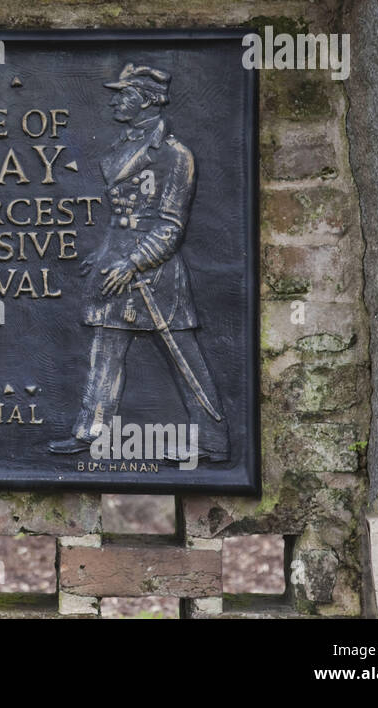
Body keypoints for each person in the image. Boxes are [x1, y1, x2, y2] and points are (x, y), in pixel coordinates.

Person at [48, 63, 229, 460]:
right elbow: (123, 215)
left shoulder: (174, 155)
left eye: (123, 94)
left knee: (183, 356)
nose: (114, 100)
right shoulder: (121, 148)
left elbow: (169, 224)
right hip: (116, 264)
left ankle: (212, 442)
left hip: (154, 272)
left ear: (146, 100)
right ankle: (91, 433)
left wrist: (133, 262)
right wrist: (105, 253)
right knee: (104, 350)